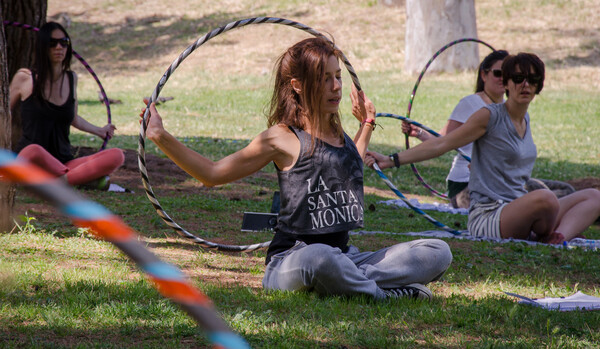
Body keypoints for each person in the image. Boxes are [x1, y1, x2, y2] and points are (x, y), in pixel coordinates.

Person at [141, 37, 452, 300]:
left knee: (437, 251)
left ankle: (347, 281)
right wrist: (159, 136)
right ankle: (384, 294)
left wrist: (367, 124)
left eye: (338, 76)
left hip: (347, 257)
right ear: (298, 85)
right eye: (324, 78)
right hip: (292, 260)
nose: (336, 87)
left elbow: (348, 168)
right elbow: (211, 174)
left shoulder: (337, 133)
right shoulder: (281, 137)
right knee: (320, 258)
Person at [366, 53, 600, 244]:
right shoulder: (489, 116)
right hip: (490, 216)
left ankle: (557, 239)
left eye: (532, 79)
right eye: (518, 78)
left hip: (519, 207)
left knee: (593, 196)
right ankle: (548, 233)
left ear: (539, 85)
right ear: (506, 83)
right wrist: (391, 159)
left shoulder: (525, 120)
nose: (525, 84)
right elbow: (443, 143)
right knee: (546, 199)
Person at [9, 22, 124, 189]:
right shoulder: (25, 77)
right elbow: (4, 112)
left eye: (64, 43)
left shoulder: (71, 79)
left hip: (64, 162)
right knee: (34, 150)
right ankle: (75, 179)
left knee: (116, 156)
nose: (59, 47)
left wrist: (99, 130)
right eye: (52, 43)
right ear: (42, 47)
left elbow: (73, 118)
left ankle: (57, 181)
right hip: (30, 158)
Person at [402, 50, 508, 208]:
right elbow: (441, 142)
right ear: (484, 75)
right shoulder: (471, 104)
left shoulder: (511, 109)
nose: (503, 79)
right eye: (498, 73)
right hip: (466, 184)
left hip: (499, 182)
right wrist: (418, 133)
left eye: (508, 74)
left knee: (546, 192)